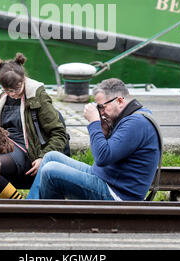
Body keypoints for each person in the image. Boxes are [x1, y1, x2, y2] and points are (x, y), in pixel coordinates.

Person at [26, 78, 161, 201]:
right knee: (50, 157)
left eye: (102, 107)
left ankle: (43, 219)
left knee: (51, 171)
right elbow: (109, 153)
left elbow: (103, 157)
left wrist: (94, 123)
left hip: (118, 193)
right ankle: (30, 209)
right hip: (105, 178)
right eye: (98, 108)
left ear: (119, 101)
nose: (100, 112)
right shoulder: (129, 117)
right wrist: (105, 131)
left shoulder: (136, 123)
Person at [0, 52, 68, 199]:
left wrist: (43, 157)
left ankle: (16, 200)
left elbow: (59, 133)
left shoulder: (37, 96)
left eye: (16, 89)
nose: (12, 94)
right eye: (7, 90)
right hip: (4, 142)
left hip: (27, 150)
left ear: (23, 80)